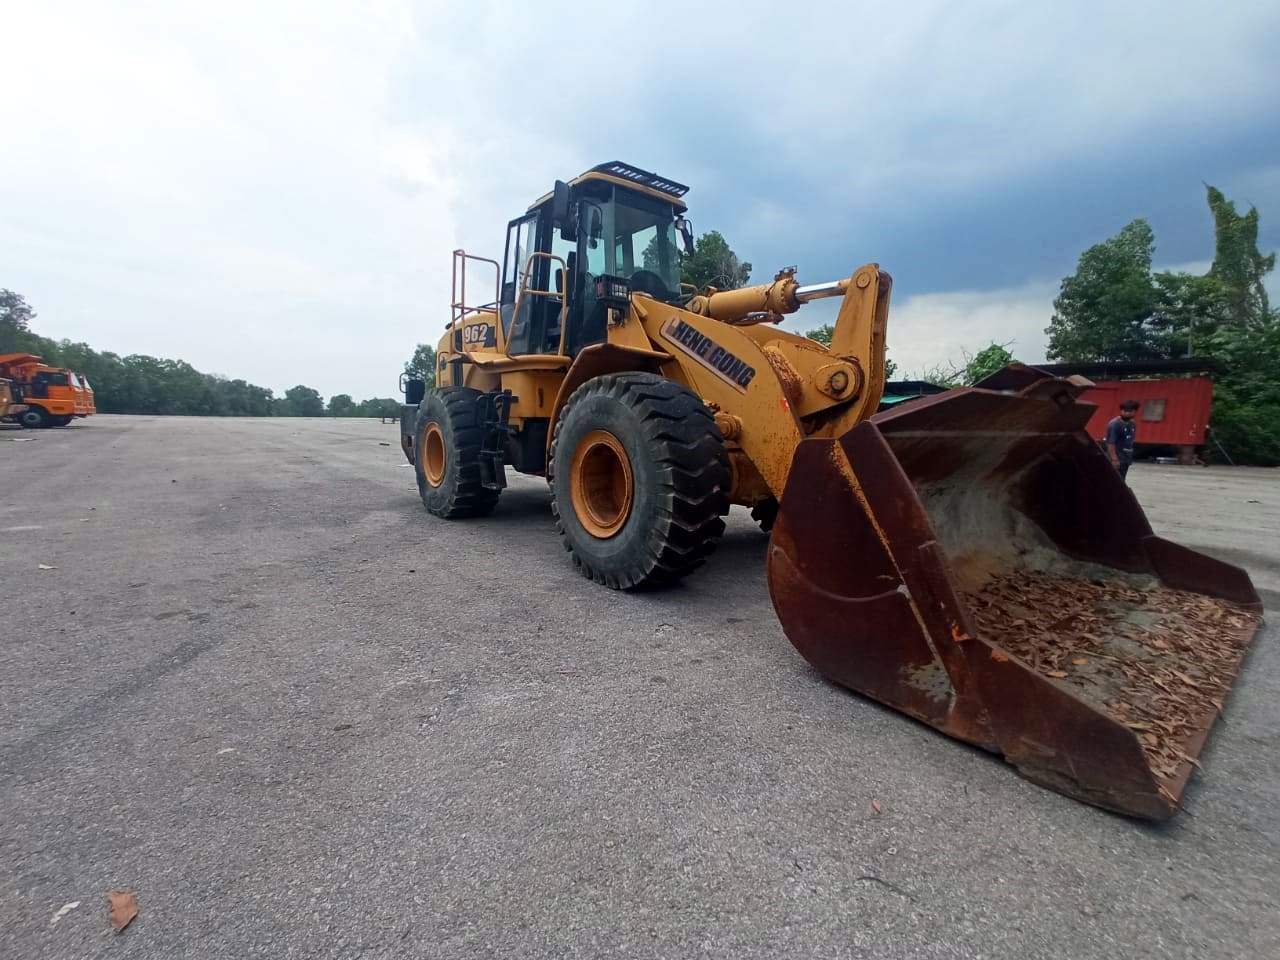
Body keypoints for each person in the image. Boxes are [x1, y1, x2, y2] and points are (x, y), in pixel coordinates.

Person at [1106, 400, 1139, 480]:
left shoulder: (1132, 423)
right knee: (1114, 480)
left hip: (1126, 458)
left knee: (1122, 479)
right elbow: (1110, 443)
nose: (1127, 413)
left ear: (1135, 412)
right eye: (1125, 411)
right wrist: (1114, 459)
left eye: (1130, 411)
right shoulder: (1115, 424)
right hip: (1117, 457)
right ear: (1121, 411)